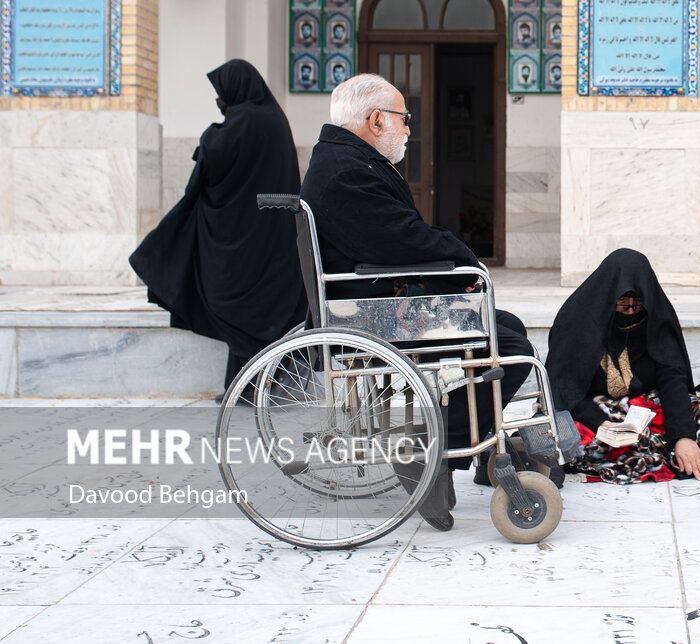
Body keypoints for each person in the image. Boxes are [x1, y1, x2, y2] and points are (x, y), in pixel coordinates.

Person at [299, 74, 534, 526]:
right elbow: (401, 240)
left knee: (509, 327)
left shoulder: (344, 161)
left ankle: (446, 440)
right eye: (404, 119)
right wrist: (463, 260)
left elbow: (394, 238)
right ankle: (433, 451)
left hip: (373, 303)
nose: (409, 129)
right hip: (370, 315)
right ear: (375, 120)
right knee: (514, 350)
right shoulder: (347, 172)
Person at [130, 60, 306, 400]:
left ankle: (250, 385)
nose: (218, 101)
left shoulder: (245, 120)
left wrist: (210, 134)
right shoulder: (272, 117)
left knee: (234, 300)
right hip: (270, 234)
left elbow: (215, 156)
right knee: (254, 306)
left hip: (245, 237)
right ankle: (248, 385)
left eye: (221, 93)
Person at [547, 249, 700, 484]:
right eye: (622, 305)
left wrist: (683, 436)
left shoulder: (655, 318)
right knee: (567, 436)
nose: (631, 312)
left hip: (644, 407)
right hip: (593, 408)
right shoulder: (578, 322)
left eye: (637, 305)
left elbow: (672, 378)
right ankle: (648, 451)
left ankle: (651, 450)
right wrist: (600, 424)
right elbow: (562, 388)